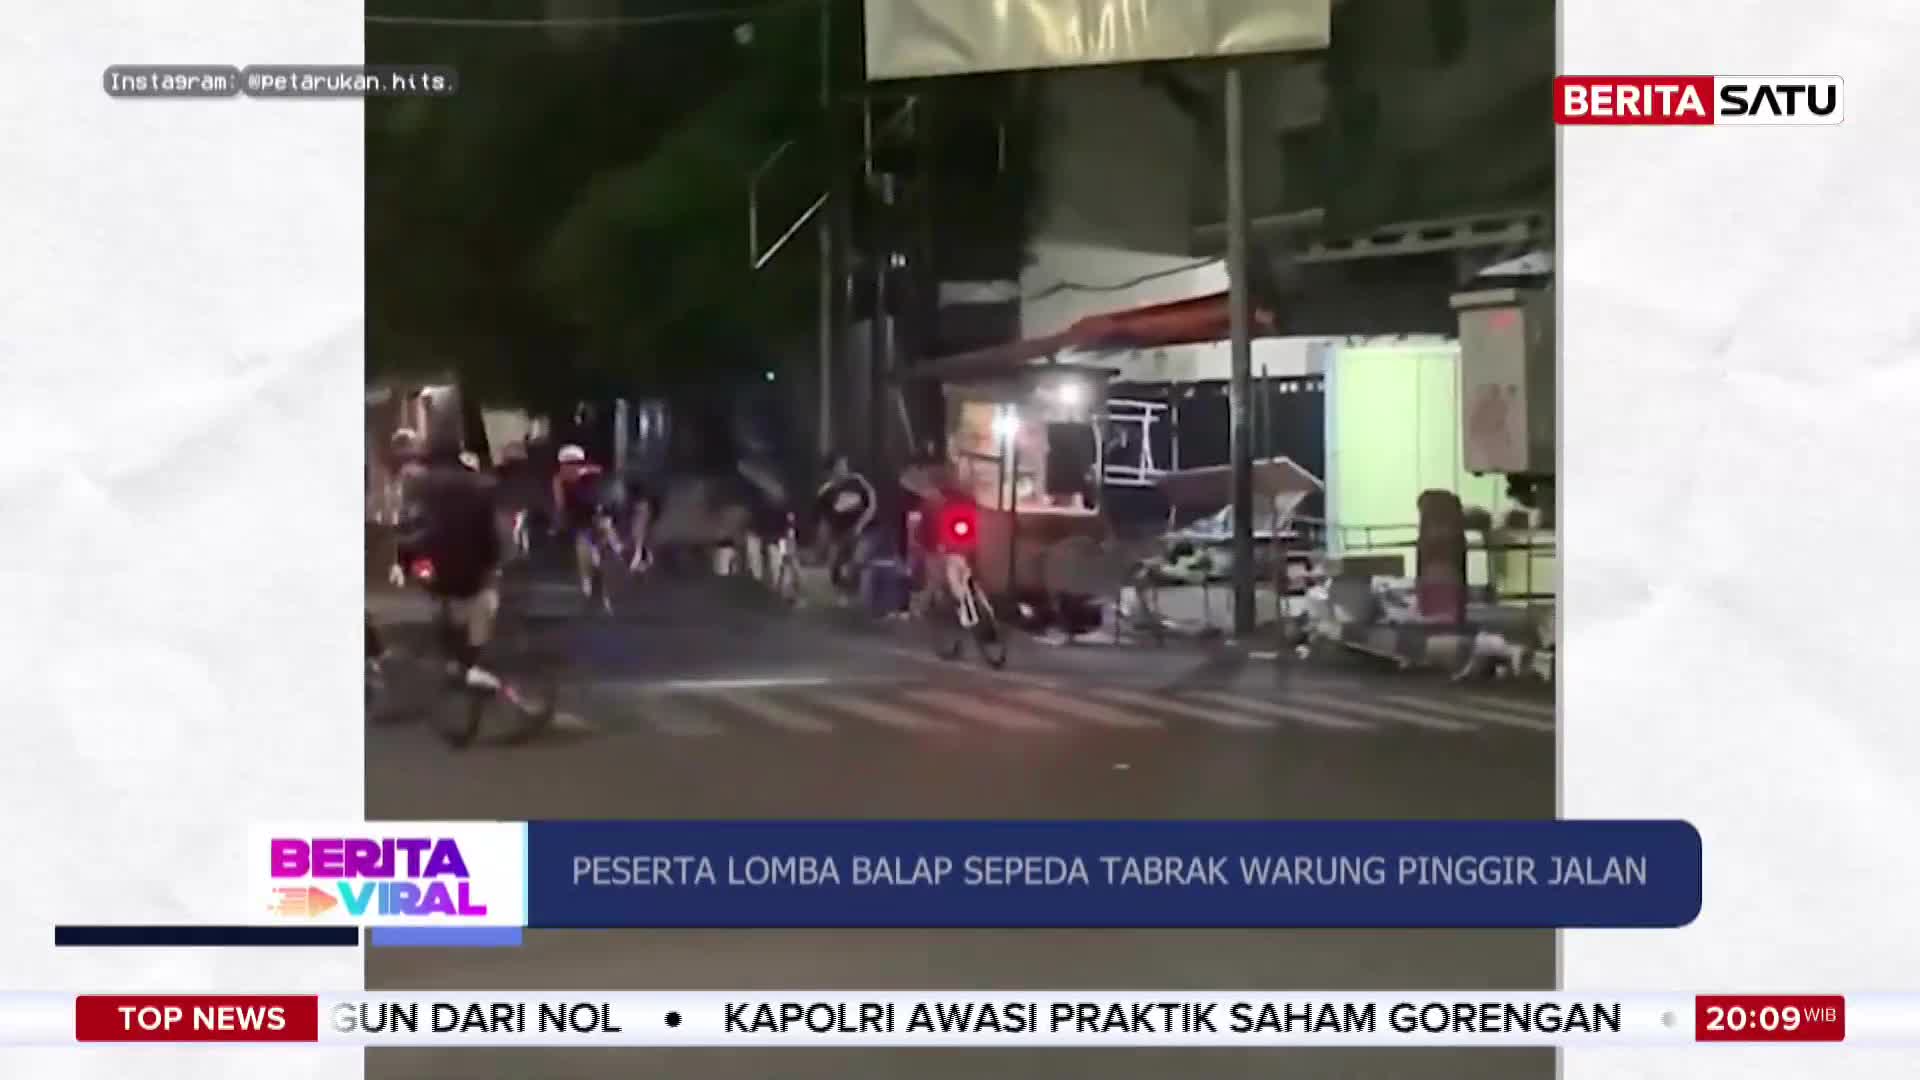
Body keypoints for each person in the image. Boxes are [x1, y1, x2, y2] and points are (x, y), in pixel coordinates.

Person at [393, 438, 506, 692]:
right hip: (470, 567)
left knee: (438, 598)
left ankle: (452, 657)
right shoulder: (480, 486)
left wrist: (404, 561)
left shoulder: (419, 486)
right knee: (484, 601)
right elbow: (489, 533)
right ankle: (471, 663)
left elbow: (407, 527)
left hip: (429, 567)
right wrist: (492, 563)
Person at [551, 444, 623, 601]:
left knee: (607, 542)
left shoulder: (594, 476)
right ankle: (587, 587)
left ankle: (617, 563)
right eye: (566, 464)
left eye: (575, 463)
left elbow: (606, 497)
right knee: (584, 551)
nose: (570, 468)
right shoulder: (560, 481)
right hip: (580, 522)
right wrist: (559, 522)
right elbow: (561, 506)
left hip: (600, 518)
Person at [813, 452, 877, 589]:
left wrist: (861, 524)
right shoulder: (825, 493)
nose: (844, 469)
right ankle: (844, 586)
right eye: (840, 466)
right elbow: (824, 521)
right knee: (835, 567)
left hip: (863, 532)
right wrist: (825, 544)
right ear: (830, 472)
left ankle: (858, 584)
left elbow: (872, 503)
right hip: (840, 535)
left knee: (858, 560)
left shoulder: (857, 481)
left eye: (844, 465)